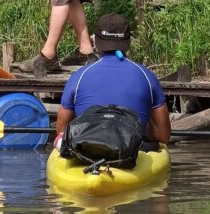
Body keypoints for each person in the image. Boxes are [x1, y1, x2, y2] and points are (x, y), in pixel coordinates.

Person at [53, 13, 170, 165]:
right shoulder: (147, 76)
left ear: (96, 43)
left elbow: (61, 130)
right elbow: (163, 136)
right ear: (128, 43)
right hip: (129, 153)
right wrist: (142, 130)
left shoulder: (79, 76)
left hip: (86, 154)